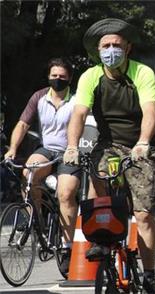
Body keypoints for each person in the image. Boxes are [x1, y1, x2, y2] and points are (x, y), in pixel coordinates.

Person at [64, 18, 155, 293]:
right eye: (105, 45)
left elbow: (150, 110)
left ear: (127, 48)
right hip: (107, 145)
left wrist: (143, 142)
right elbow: (79, 114)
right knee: (97, 177)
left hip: (138, 146)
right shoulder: (90, 76)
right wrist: (72, 146)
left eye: (116, 44)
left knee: (143, 215)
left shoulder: (142, 73)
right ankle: (100, 240)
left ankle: (150, 273)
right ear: (98, 50)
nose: (111, 50)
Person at [4, 58, 80, 274]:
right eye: (54, 76)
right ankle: (36, 222)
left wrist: (77, 149)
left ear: (70, 79)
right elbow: (22, 124)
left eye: (62, 77)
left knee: (66, 194)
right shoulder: (38, 97)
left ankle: (67, 247)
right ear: (48, 76)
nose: (58, 80)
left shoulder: (77, 100)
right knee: (28, 173)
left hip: (70, 151)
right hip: (46, 148)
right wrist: (12, 149)